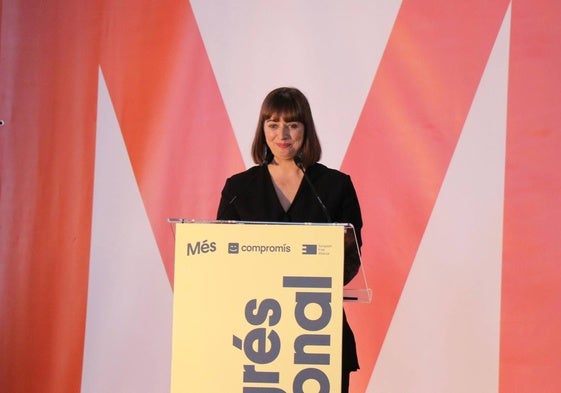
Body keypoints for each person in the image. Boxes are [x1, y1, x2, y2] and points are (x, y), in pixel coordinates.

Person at [216, 87, 363, 393]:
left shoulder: (336, 186)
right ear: (263, 130)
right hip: (256, 338)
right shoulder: (239, 188)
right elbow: (221, 262)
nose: (282, 134)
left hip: (317, 335)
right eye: (273, 125)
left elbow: (351, 262)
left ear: (306, 129)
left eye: (292, 125)